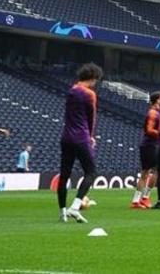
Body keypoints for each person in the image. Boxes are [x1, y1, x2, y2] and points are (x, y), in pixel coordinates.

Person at [58, 63, 102, 224]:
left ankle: (62, 211)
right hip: (80, 137)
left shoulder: (72, 90)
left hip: (66, 137)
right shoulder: (89, 94)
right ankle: (75, 207)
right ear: (93, 78)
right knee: (91, 172)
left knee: (64, 175)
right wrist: (90, 136)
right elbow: (92, 118)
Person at [132, 92, 160, 209]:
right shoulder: (153, 113)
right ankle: (145, 198)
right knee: (154, 171)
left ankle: (137, 200)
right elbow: (150, 130)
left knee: (145, 173)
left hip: (149, 145)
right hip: (151, 145)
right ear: (157, 100)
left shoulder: (154, 113)